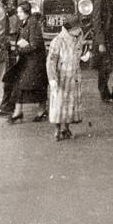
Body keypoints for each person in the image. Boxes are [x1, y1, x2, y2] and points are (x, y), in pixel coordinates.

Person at [7, 2, 49, 123]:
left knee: (33, 85)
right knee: (23, 85)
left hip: (35, 62)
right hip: (29, 60)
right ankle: (20, 111)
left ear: (26, 12)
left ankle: (39, 110)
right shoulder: (26, 22)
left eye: (20, 12)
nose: (18, 14)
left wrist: (20, 49)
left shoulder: (33, 23)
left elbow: (34, 45)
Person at [46, 13, 84, 141]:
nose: (79, 30)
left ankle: (66, 128)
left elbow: (79, 52)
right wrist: (52, 79)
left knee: (70, 104)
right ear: (70, 29)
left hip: (73, 76)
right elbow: (51, 61)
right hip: (61, 77)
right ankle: (57, 130)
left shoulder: (78, 37)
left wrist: (83, 57)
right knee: (58, 104)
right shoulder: (58, 41)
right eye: (77, 27)